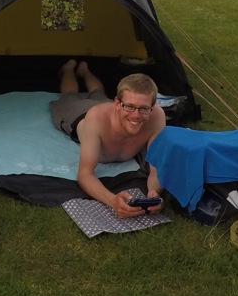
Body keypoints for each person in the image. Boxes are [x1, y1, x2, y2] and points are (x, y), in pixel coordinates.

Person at [50, 60, 166, 218]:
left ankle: (84, 71)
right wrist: (113, 201)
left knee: (98, 93)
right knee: (70, 96)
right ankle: (68, 69)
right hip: (80, 114)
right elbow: (84, 175)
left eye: (144, 108)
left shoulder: (157, 116)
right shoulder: (96, 118)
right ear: (117, 103)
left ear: (152, 107)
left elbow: (156, 167)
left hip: (109, 109)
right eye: (130, 106)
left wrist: (154, 193)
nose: (136, 115)